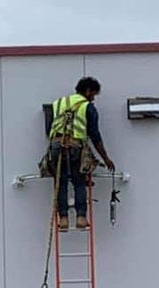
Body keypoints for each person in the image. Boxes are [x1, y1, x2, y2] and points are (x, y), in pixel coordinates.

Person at [48, 77, 115, 231]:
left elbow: (50, 127)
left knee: (61, 182)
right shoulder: (87, 107)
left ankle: (63, 219)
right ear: (88, 91)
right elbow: (95, 136)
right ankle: (81, 217)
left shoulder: (59, 103)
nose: (93, 98)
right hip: (74, 146)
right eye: (93, 95)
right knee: (79, 181)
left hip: (56, 146)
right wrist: (106, 158)